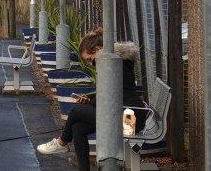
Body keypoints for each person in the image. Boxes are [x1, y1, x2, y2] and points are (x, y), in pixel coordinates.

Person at [35, 28, 143, 171]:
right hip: (123, 114)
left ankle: (61, 143)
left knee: (75, 111)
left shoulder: (116, 66)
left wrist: (91, 102)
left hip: (130, 120)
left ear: (98, 49)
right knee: (77, 127)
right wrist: (90, 100)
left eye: (90, 59)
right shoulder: (116, 63)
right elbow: (110, 95)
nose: (90, 63)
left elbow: (110, 96)